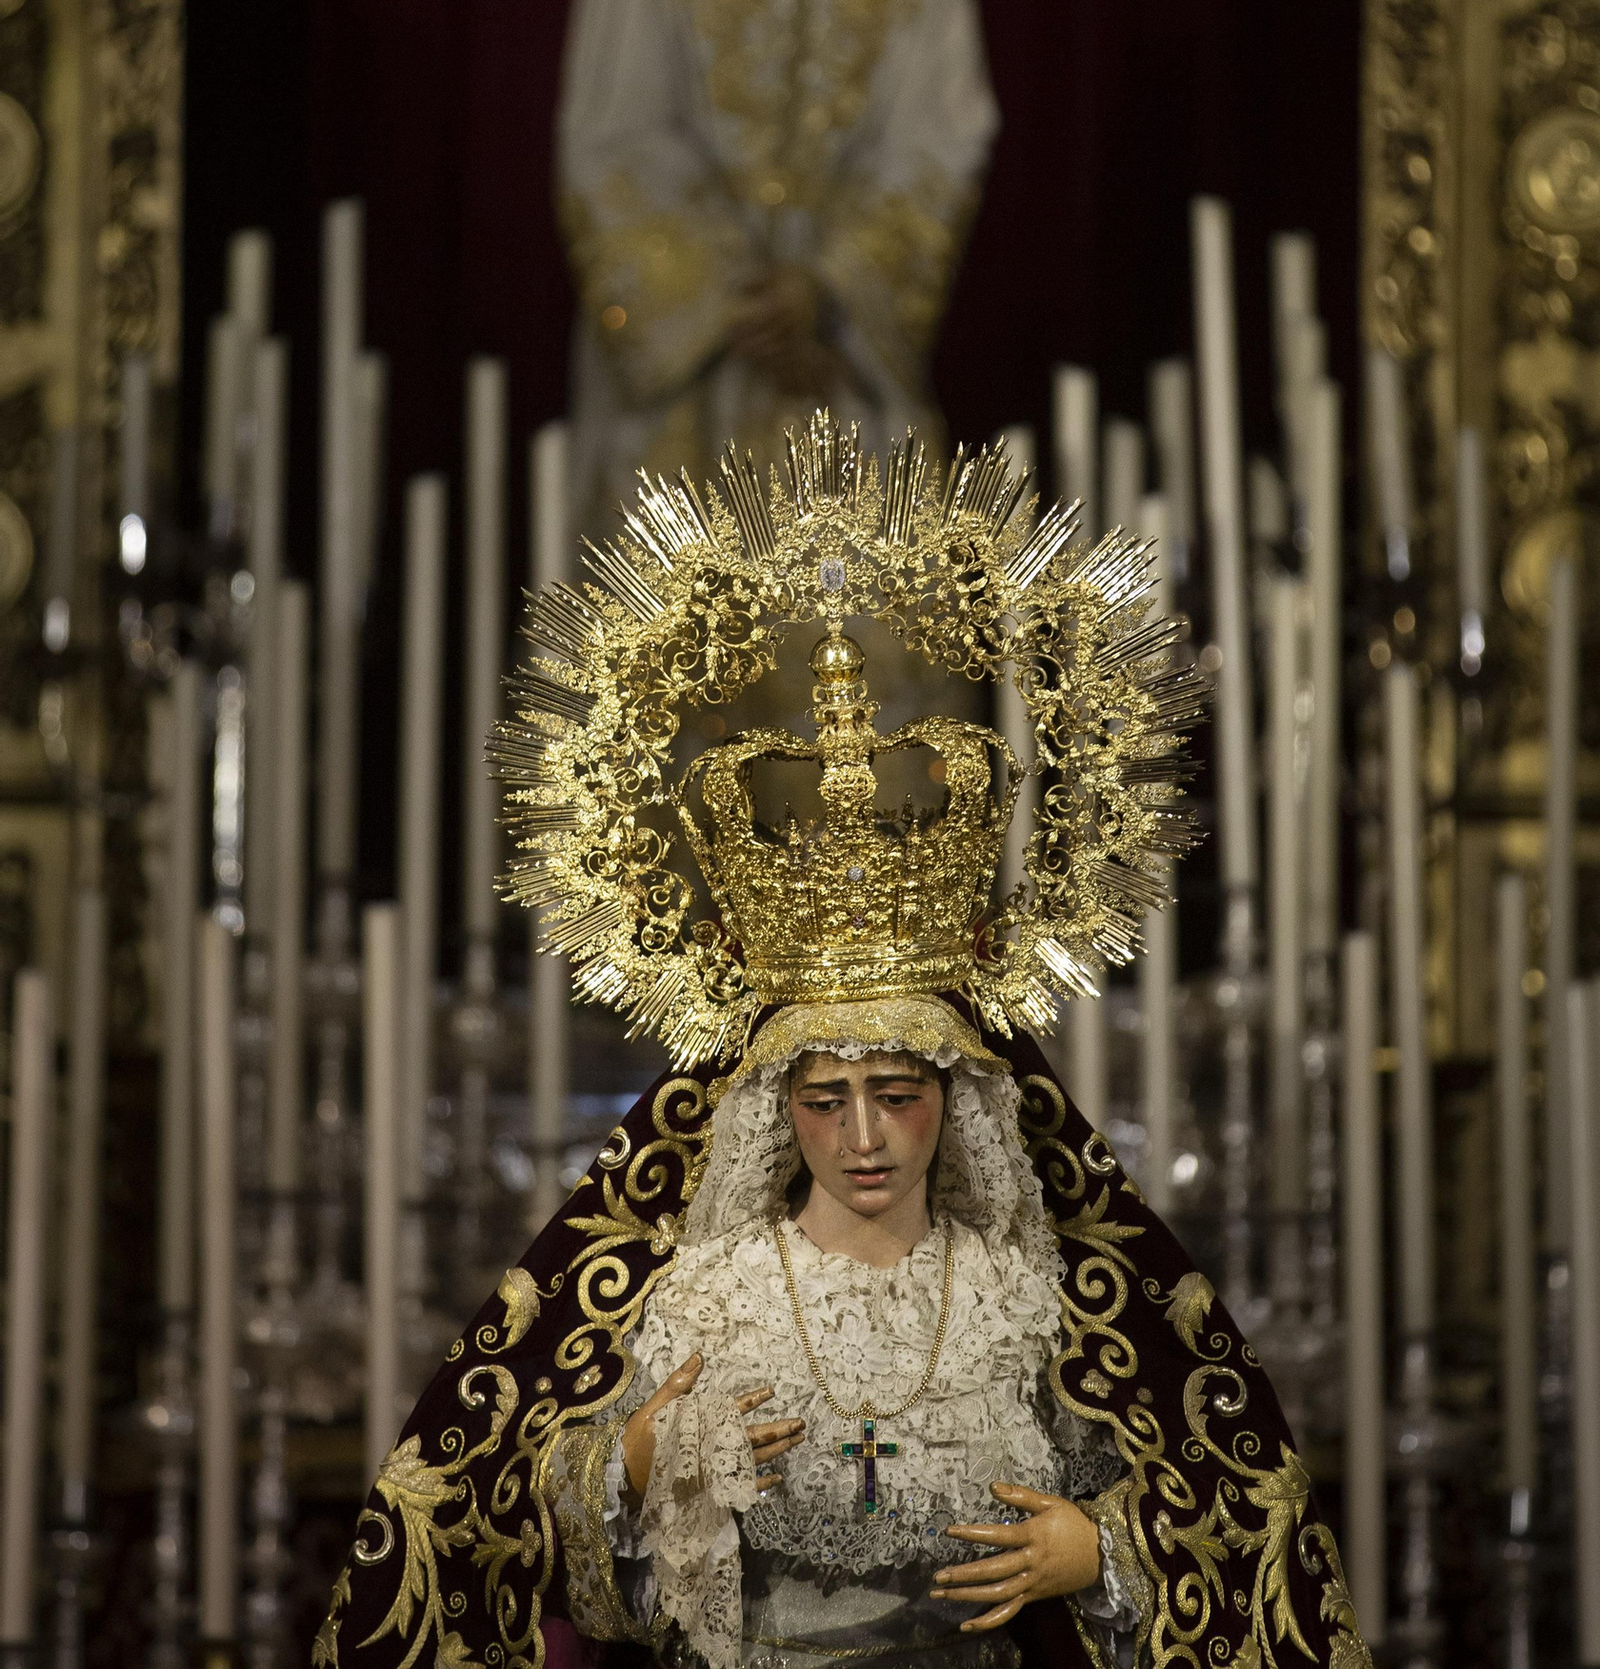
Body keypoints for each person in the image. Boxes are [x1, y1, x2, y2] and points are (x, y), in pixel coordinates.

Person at [318, 418, 1372, 1669]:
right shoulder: (708, 1295)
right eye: (824, 1098)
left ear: (962, 1096)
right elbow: (540, 1553)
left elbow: (1239, 1508)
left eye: (896, 1092)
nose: (863, 1137)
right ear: (774, 1104)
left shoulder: (1021, 1295)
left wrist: (1099, 1551)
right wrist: (651, 1460)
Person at [557, 0, 998, 541]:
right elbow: (613, 131)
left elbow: (938, 141)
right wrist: (735, 302)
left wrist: (830, 289)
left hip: (839, 355)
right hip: (687, 359)